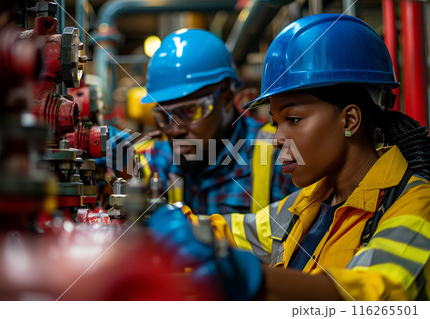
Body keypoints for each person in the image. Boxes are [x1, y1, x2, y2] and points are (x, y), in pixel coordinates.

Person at [148, 14, 430, 300]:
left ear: (349, 120)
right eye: (275, 123)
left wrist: (254, 279)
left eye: (293, 119)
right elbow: (234, 231)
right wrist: (171, 224)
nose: (278, 139)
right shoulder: (308, 202)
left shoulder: (416, 207)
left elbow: (371, 296)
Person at [137, 28, 297, 215]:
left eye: (189, 111)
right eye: (164, 116)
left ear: (226, 100)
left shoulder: (279, 157)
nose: (174, 130)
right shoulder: (161, 157)